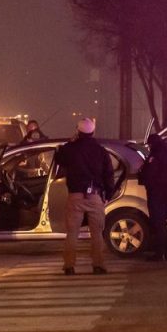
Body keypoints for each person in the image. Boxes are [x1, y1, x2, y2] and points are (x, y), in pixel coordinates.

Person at [56, 117, 114, 275]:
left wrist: (69, 142)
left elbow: (59, 159)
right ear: (93, 132)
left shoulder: (70, 148)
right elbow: (109, 174)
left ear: (78, 131)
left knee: (72, 233)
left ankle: (69, 266)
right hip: (95, 195)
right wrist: (108, 193)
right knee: (97, 233)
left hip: (75, 196)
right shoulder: (100, 150)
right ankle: (98, 265)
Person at [139, 134, 167, 261]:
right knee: (162, 222)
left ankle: (160, 254)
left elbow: (149, 174)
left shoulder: (157, 154)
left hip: (157, 192)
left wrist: (142, 176)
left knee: (158, 223)